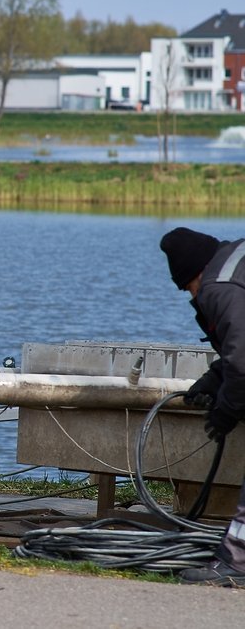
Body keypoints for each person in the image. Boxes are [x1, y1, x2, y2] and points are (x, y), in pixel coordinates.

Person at [160, 226, 245, 586]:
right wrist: (214, 379)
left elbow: (243, 361)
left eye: (187, 289)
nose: (192, 297)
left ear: (192, 275)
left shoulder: (217, 288)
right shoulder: (235, 257)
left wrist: (225, 409)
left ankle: (237, 563)